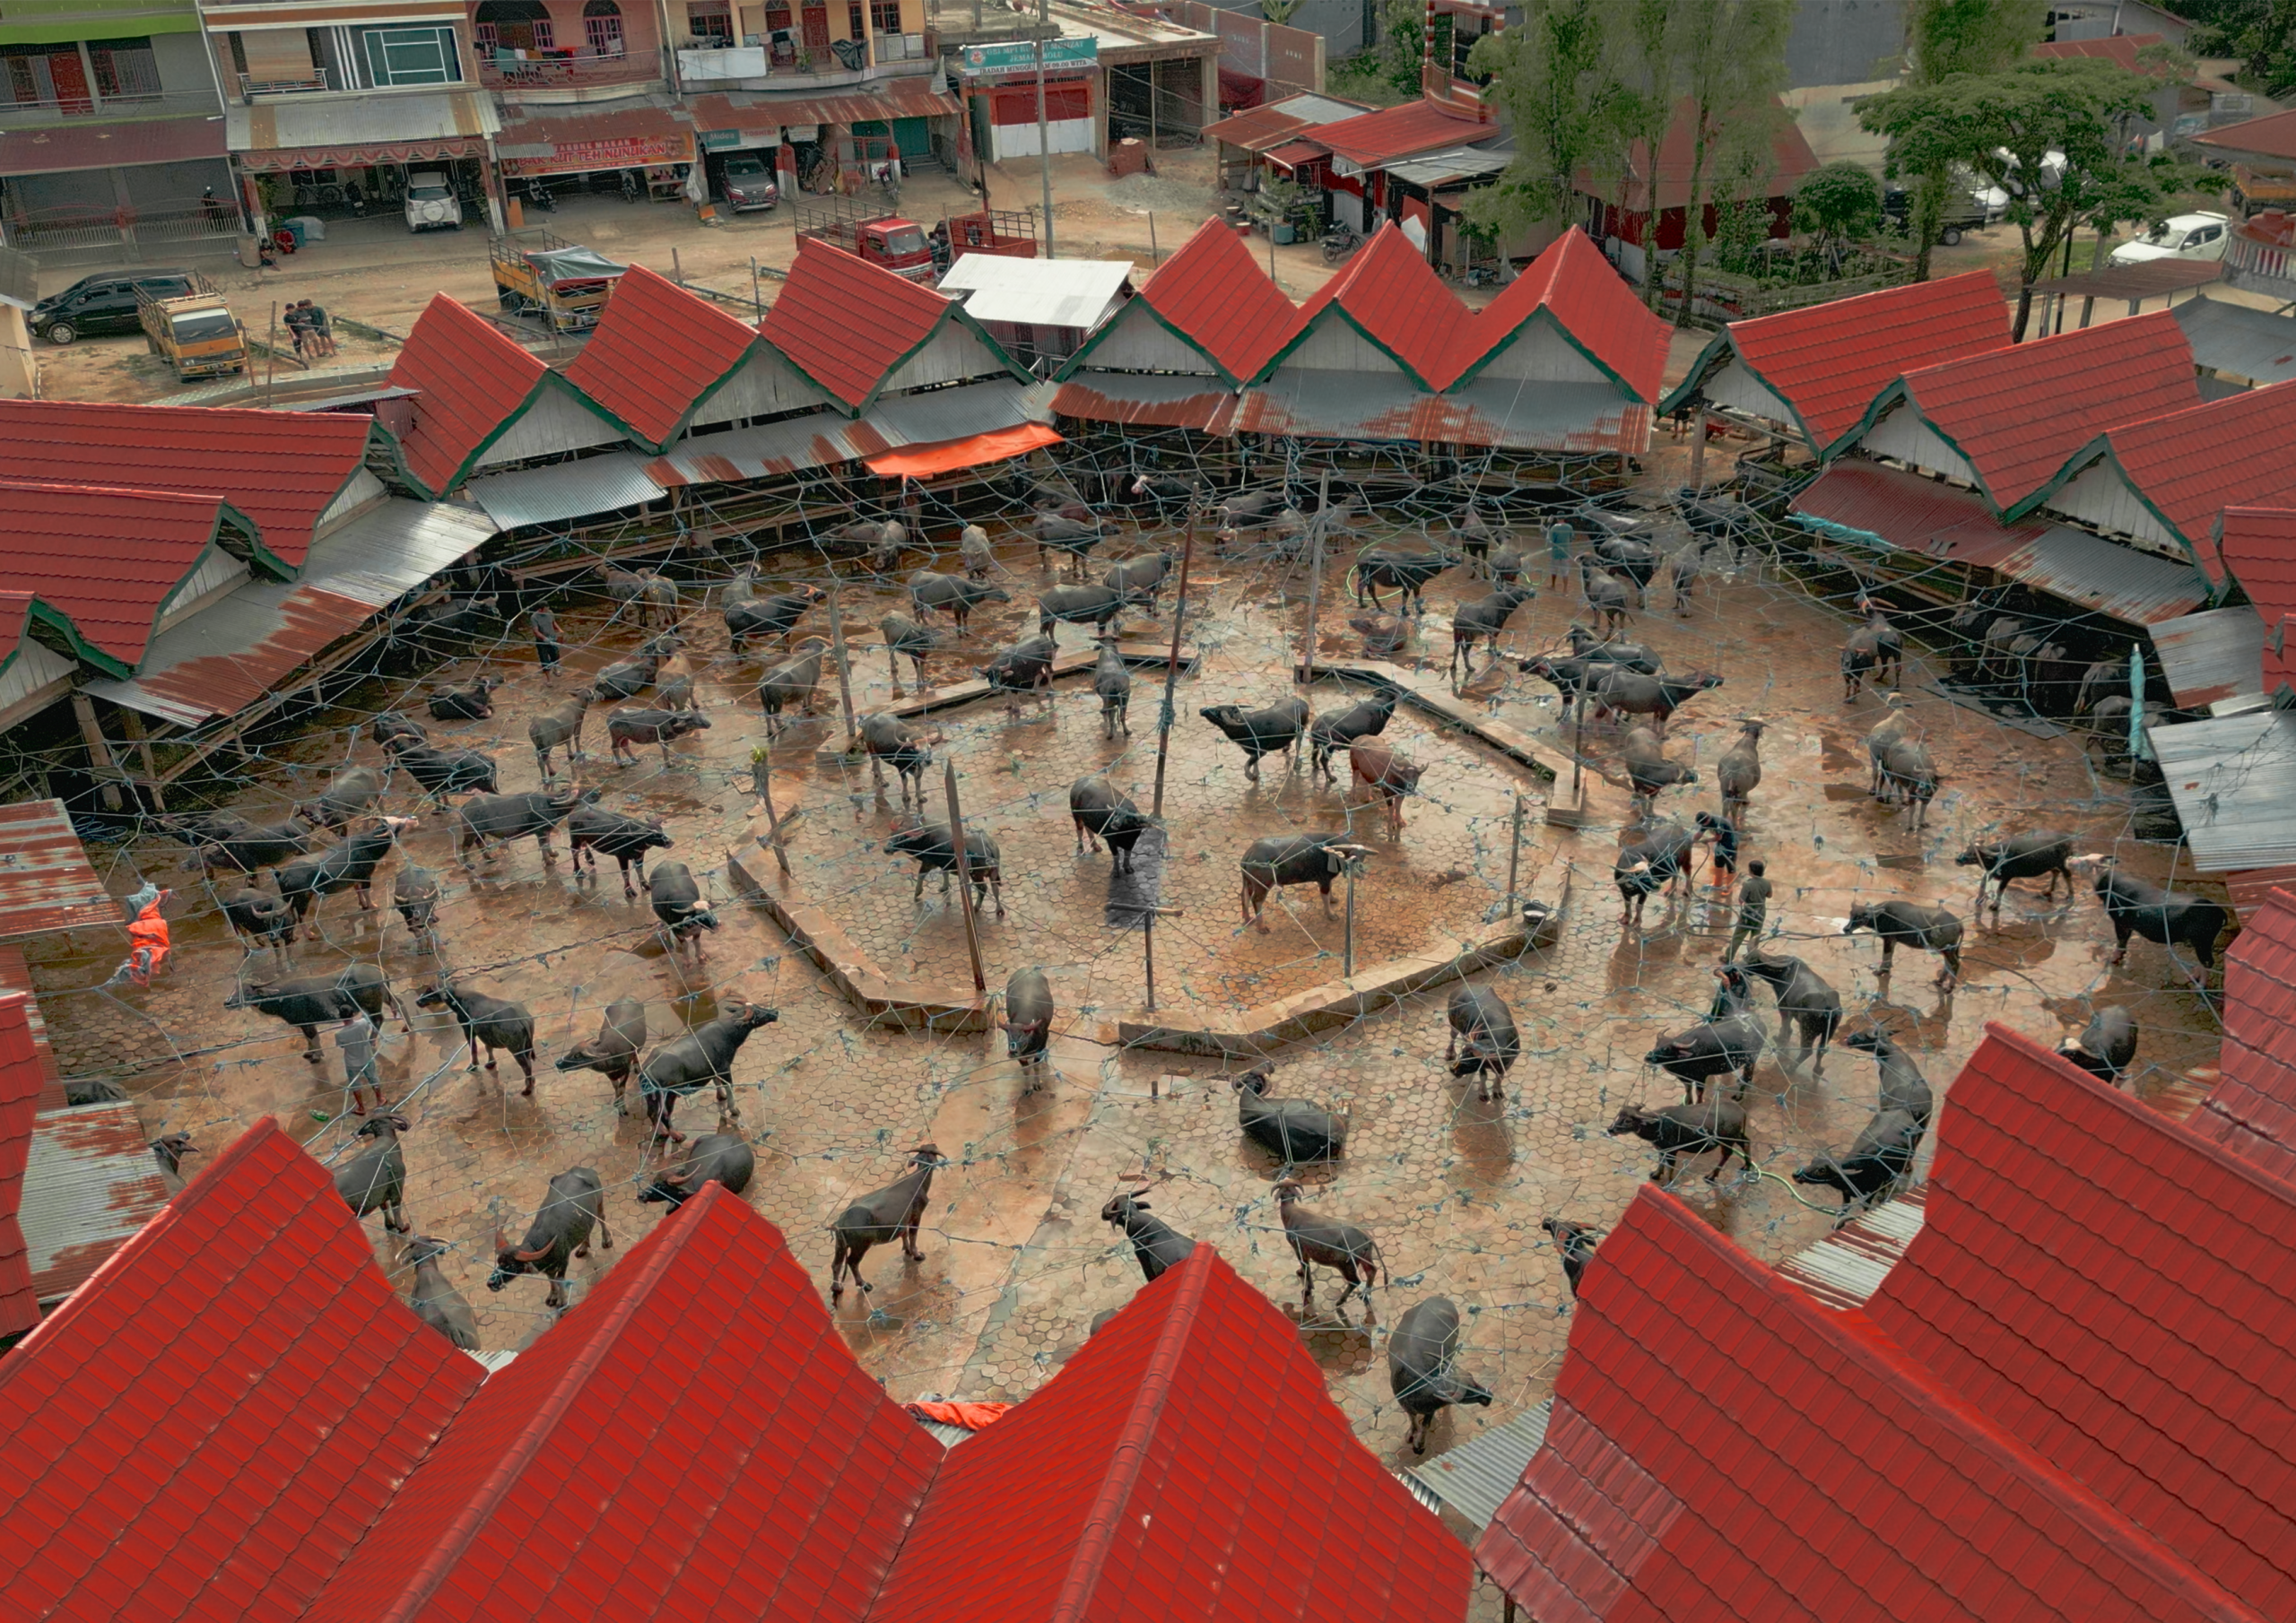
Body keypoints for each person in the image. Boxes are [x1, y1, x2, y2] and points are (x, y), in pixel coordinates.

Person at [335, 1011, 384, 1116]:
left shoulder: (339, 1034)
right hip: (367, 1057)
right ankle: (379, 1100)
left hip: (352, 1062)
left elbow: (342, 1046)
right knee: (373, 1078)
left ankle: (361, 1107)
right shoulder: (363, 1023)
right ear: (352, 1014)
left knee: (355, 1085)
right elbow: (368, 1023)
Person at [1724, 858, 1771, 964]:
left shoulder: (1748, 884)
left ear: (1751, 871)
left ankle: (1728, 957)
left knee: (1738, 936)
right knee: (1755, 937)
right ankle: (1751, 958)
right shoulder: (1767, 882)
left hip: (1748, 914)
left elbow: (1741, 900)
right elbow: (1769, 895)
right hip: (1761, 913)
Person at [530, 603, 561, 677]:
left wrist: (560, 630)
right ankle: (548, 679)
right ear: (540, 609)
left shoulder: (550, 613)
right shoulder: (534, 617)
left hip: (552, 638)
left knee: (556, 656)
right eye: (545, 609)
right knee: (544, 660)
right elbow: (536, 631)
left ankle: (556, 669)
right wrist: (545, 639)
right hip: (542, 642)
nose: (547, 611)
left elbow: (553, 623)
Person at [1545, 514, 1574, 589]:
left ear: (1557, 519)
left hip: (1555, 552)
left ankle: (1553, 585)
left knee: (1554, 570)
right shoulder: (1569, 527)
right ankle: (1565, 589)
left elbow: (1551, 541)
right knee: (1565, 571)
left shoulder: (1554, 528)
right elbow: (1571, 538)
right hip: (1565, 552)